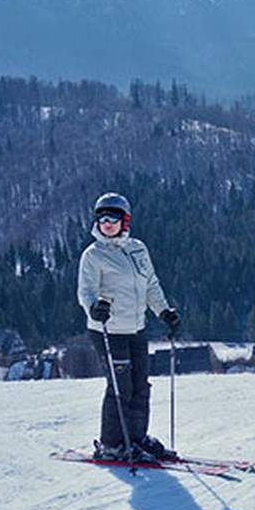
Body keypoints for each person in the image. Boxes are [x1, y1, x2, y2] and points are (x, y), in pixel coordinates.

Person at [78, 192, 181, 462]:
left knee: (140, 385)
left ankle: (136, 437)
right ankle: (111, 444)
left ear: (124, 221)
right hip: (107, 331)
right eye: (102, 218)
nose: (107, 223)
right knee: (120, 387)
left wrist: (164, 312)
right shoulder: (93, 255)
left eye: (113, 217)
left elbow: (151, 285)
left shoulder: (137, 249)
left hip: (136, 328)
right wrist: (94, 307)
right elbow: (85, 291)